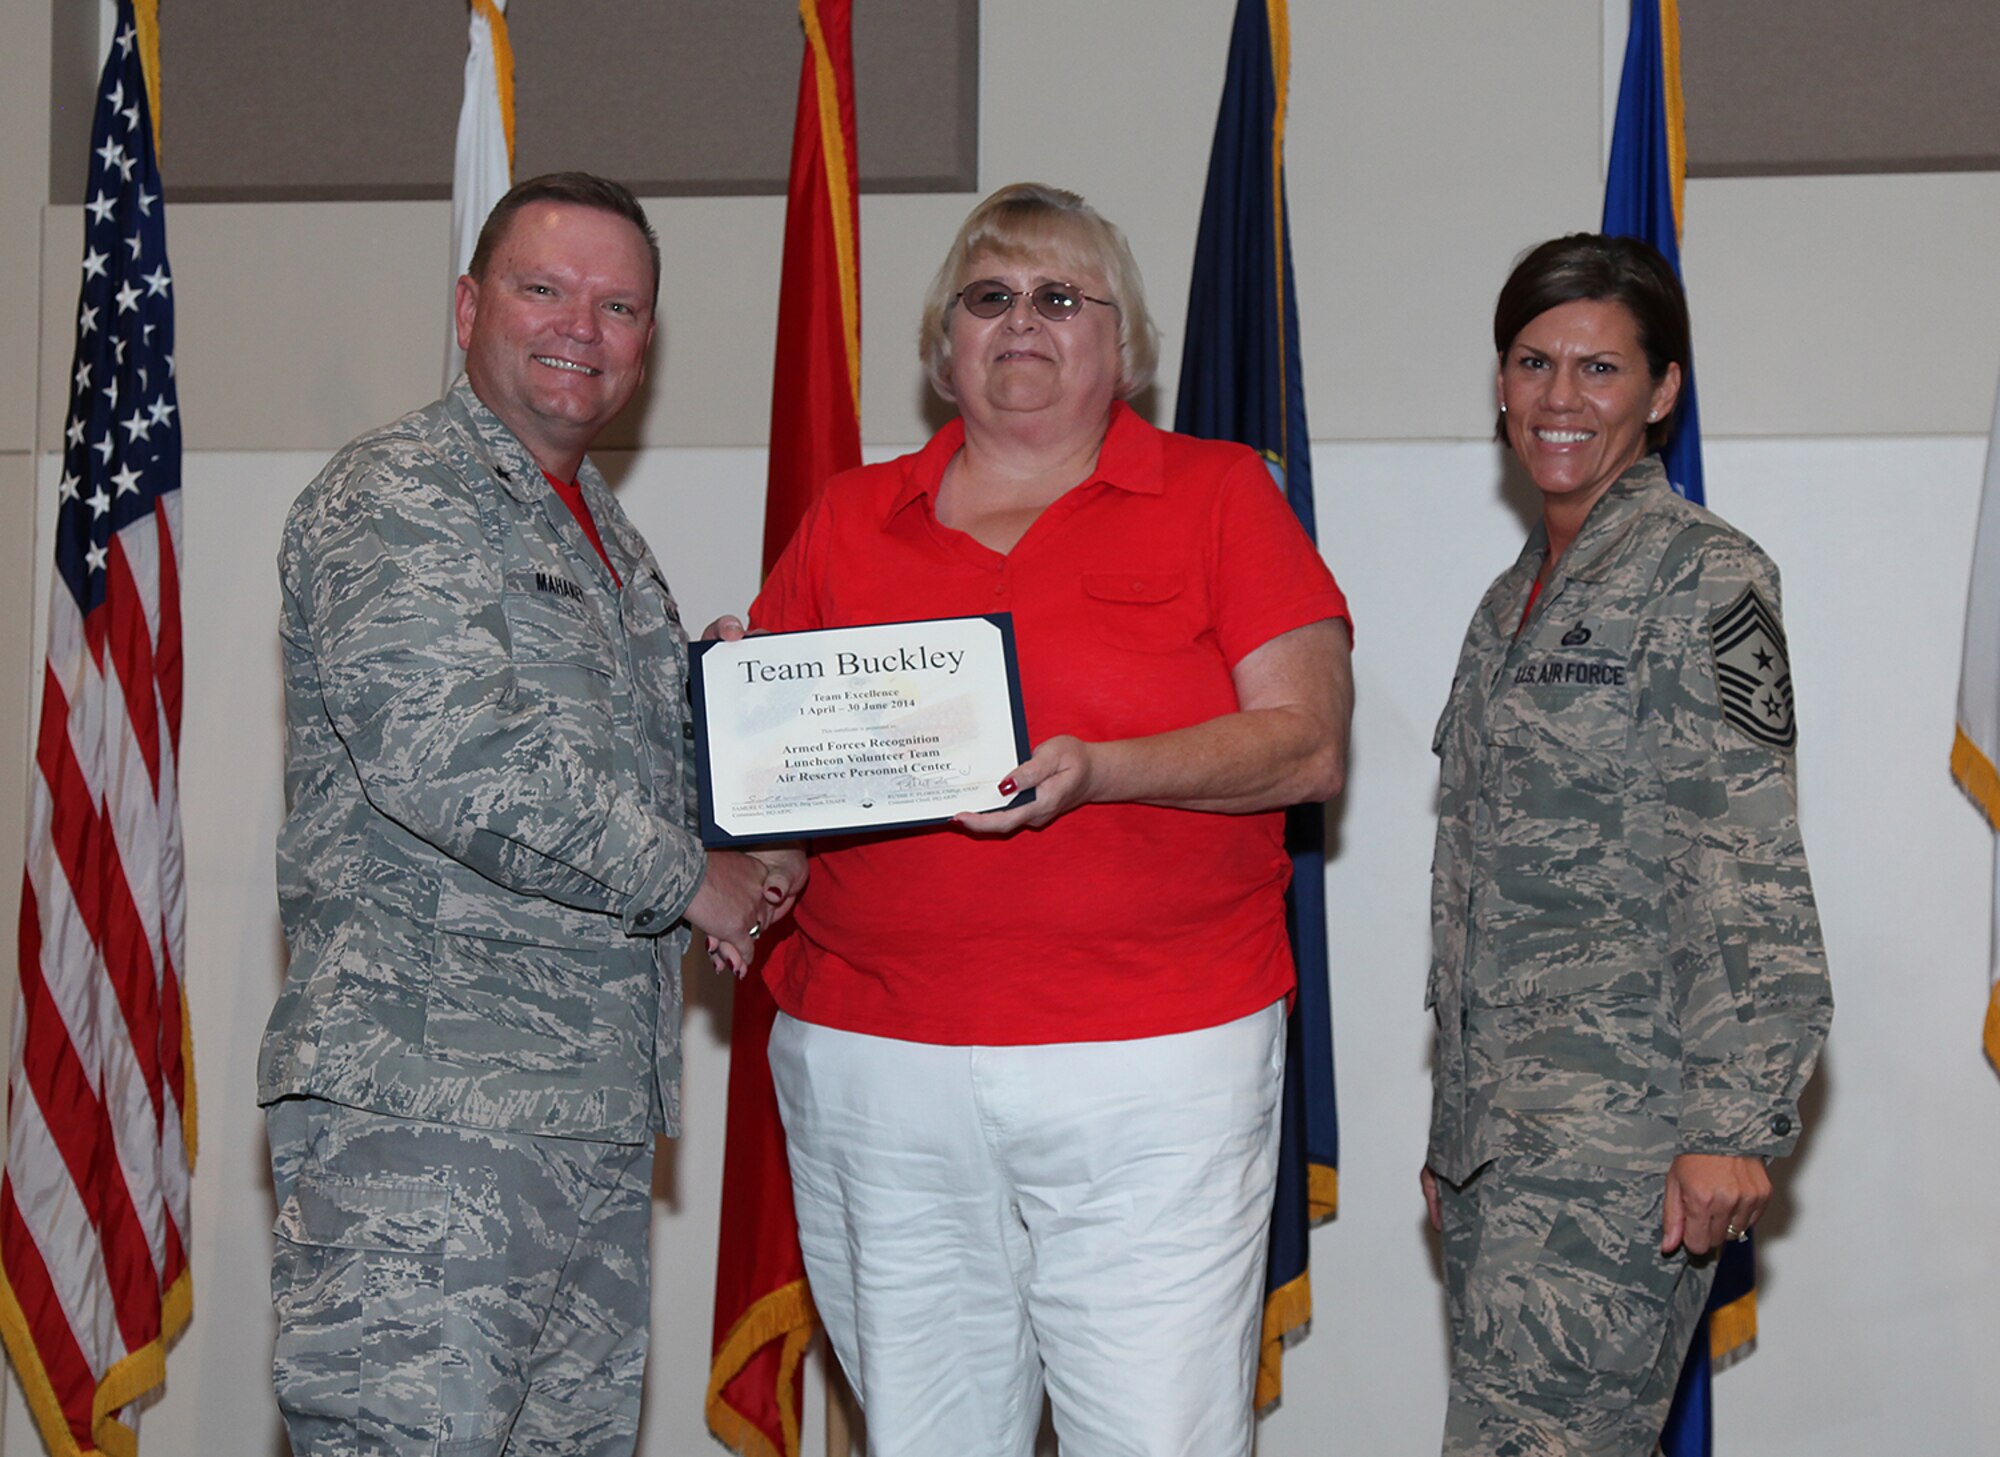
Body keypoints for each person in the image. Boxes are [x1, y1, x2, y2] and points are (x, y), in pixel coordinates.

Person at [729, 181, 1353, 1457]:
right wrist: (742, 766)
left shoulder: (1220, 493)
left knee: (1156, 1434)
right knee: (922, 1436)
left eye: (1061, 297)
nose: (1023, 321)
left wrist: (1102, 769)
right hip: (876, 1061)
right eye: (989, 296)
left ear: (1120, 347)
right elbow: (784, 802)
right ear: (940, 343)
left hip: (1155, 1061)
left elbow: (1306, 742)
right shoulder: (848, 516)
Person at [259, 172, 803, 1456]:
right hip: (427, 1111)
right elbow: (453, 758)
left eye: (620, 305)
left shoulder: (609, 542)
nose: (581, 327)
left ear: (646, 345)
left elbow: (623, 778)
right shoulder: (399, 494)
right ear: (467, 306)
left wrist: (750, 741)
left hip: (586, 1116)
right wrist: (697, 880)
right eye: (543, 288)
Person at [1421, 233, 1833, 1455]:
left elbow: (1743, 862)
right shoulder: (1507, 603)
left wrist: (1735, 1122)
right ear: (1497, 383)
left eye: (1598, 370)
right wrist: (1456, 1136)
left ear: (1659, 392)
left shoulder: (1700, 578)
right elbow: (1476, 894)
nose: (1559, 399)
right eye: (1532, 363)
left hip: (1622, 1147)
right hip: (1506, 1151)